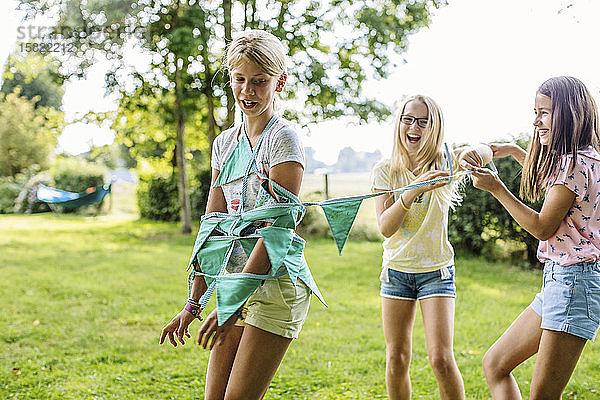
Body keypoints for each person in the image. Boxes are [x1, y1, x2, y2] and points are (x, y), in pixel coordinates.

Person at [159, 29, 315, 400]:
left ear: (280, 82)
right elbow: (213, 228)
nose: (248, 91)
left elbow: (275, 233)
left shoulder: (284, 140)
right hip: (235, 281)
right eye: (239, 80)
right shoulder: (224, 144)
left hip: (275, 287)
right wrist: (194, 302)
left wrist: (232, 302)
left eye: (260, 82)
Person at [468, 76, 600, 399]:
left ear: (568, 113)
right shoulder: (587, 158)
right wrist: (512, 150)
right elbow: (554, 185)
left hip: (573, 284)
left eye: (544, 112)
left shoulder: (573, 164)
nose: (536, 120)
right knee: (495, 364)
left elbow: (542, 226)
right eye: (535, 111)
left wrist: (497, 188)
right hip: (562, 282)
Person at [370, 94, 492, 400]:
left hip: (435, 273)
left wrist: (476, 153)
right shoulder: (385, 171)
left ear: (434, 128)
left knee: (440, 359)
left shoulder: (444, 165)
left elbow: (484, 151)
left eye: (423, 122)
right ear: (399, 124)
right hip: (396, 273)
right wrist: (412, 191)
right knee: (397, 357)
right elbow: (386, 228)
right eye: (408, 119)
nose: (414, 127)